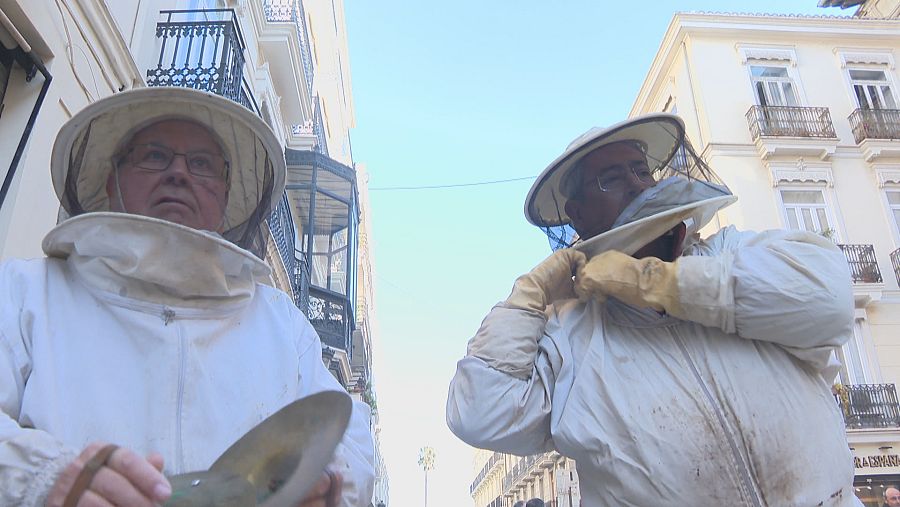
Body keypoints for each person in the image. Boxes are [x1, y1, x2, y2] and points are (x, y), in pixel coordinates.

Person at [446, 114, 861, 506]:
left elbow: (828, 299)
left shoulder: (729, 250)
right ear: (577, 214)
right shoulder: (571, 334)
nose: (636, 184)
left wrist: (658, 283)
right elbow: (480, 411)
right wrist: (528, 296)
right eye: (611, 179)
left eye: (641, 171)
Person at [0, 87, 374, 506]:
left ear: (226, 193)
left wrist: (321, 478)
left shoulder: (281, 324)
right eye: (155, 156)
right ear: (112, 179)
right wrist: (41, 477)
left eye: (201, 164)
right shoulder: (25, 291)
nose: (178, 174)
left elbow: (350, 440)